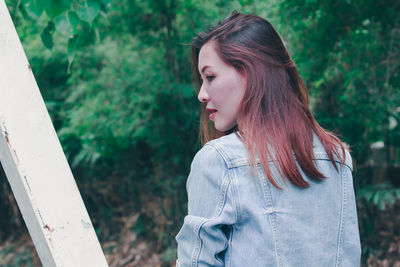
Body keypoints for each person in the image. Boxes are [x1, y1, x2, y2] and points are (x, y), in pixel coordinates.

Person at [175, 11, 361, 267]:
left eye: (210, 77)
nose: (202, 94)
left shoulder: (219, 161)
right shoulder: (337, 156)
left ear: (250, 72)